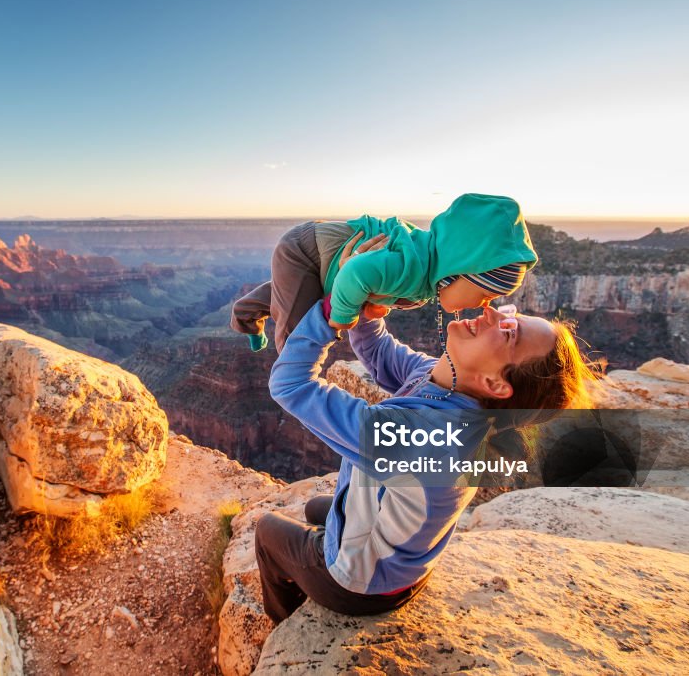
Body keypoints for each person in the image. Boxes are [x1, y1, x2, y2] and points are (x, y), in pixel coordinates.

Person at [254, 236, 598, 624]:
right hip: (404, 562)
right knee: (317, 507)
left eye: (507, 333)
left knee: (268, 531)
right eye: (510, 314)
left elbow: (291, 385)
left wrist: (333, 309)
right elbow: (378, 349)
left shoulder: (425, 439)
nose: (490, 312)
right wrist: (366, 296)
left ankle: (282, 621)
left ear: (496, 384)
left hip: (361, 585)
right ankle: (339, 550)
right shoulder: (450, 381)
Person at [230, 192, 538, 353]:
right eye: (487, 293)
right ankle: (282, 361)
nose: (485, 304)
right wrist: (343, 318)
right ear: (461, 271)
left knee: (285, 295)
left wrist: (376, 303)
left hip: (319, 256)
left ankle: (244, 315)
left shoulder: (429, 272)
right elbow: (356, 276)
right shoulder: (412, 268)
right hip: (304, 251)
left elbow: (377, 287)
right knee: (297, 332)